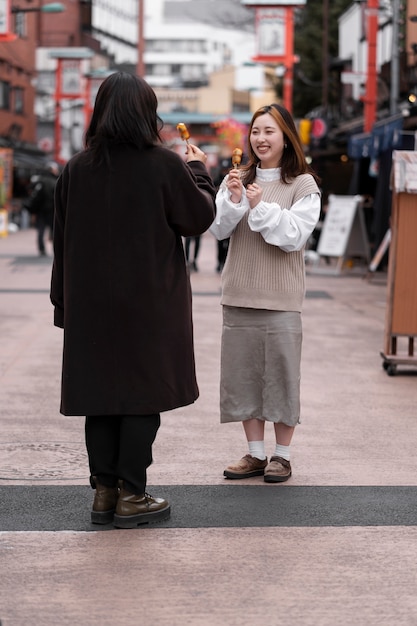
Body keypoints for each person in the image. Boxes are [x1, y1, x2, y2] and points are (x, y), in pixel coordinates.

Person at [50, 72, 216, 528]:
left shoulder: (77, 168)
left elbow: (60, 240)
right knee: (142, 398)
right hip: (149, 307)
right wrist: (198, 170)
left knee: (100, 398)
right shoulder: (163, 164)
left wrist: (62, 303)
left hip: (90, 308)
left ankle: (104, 492)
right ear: (147, 113)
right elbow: (197, 217)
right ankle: (133, 494)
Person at [210, 103, 321, 483]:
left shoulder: (303, 185)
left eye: (269, 131)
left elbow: (293, 237)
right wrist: (236, 198)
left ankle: (282, 456)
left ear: (286, 137)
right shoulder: (237, 178)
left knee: (281, 375)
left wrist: (260, 205)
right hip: (239, 292)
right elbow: (220, 230)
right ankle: (256, 454)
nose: (260, 139)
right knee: (244, 375)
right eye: (256, 131)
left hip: (281, 297)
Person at [25, 162, 59, 256]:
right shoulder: (55, 181)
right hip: (52, 210)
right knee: (55, 231)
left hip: (40, 210)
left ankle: (41, 249)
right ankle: (55, 250)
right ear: (52, 170)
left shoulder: (40, 180)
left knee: (41, 230)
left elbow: (29, 188)